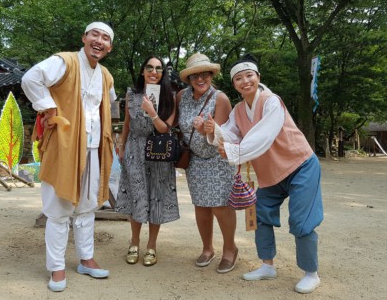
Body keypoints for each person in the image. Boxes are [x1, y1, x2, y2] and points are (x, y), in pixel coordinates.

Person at [204, 54, 324, 294]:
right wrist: (211, 130)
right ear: (234, 84)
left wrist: (231, 150)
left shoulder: (271, 101)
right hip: (270, 173)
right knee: (260, 215)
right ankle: (267, 265)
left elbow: (262, 136)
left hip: (300, 165)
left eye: (249, 75)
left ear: (258, 77)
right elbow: (230, 134)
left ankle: (311, 273)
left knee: (301, 221)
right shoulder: (239, 109)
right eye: (239, 78)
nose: (245, 81)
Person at [21, 21, 116, 292]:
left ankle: (86, 259)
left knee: (87, 207)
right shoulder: (64, 62)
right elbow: (30, 79)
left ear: (109, 47)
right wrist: (48, 107)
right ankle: (57, 267)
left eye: (105, 38)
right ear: (84, 37)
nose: (99, 41)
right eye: (95, 35)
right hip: (63, 145)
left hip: (94, 147)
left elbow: (109, 102)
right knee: (59, 209)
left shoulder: (106, 75)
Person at [176, 53, 238, 274]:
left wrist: (208, 131)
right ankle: (207, 248)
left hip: (217, 159)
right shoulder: (181, 96)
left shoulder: (220, 98)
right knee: (201, 206)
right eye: (194, 76)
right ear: (189, 79)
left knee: (220, 206)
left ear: (211, 75)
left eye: (205, 74)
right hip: (195, 160)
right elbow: (175, 123)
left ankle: (230, 249)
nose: (200, 79)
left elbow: (227, 136)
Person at [115, 56, 179, 266]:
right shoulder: (132, 94)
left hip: (159, 153)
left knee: (156, 198)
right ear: (142, 71)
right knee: (137, 196)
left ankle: (151, 246)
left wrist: (152, 113)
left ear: (163, 73)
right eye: (149, 67)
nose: (154, 71)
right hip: (135, 150)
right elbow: (127, 123)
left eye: (159, 68)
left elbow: (165, 129)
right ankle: (134, 243)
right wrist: (122, 145)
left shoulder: (170, 96)